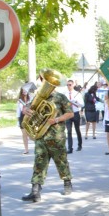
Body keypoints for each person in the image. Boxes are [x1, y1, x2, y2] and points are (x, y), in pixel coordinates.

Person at [22, 69, 74, 202]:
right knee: (39, 163)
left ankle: (67, 183)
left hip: (56, 136)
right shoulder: (39, 97)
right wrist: (26, 110)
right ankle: (35, 191)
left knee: (61, 161)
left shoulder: (61, 97)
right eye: (45, 81)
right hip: (41, 136)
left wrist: (56, 120)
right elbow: (29, 109)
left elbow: (70, 113)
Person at [65, 79, 84, 153]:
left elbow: (82, 104)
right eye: (67, 85)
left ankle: (79, 145)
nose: (68, 86)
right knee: (69, 131)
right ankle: (70, 148)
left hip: (75, 113)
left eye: (70, 85)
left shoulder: (77, 94)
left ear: (73, 85)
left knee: (77, 129)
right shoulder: (65, 94)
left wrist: (75, 101)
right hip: (68, 113)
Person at [17, 87, 32, 154]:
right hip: (22, 117)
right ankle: (26, 149)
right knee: (24, 134)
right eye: (23, 90)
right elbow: (18, 110)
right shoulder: (19, 100)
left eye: (25, 90)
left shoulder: (30, 99)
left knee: (30, 133)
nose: (24, 91)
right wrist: (18, 119)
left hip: (29, 116)